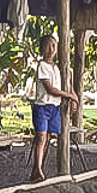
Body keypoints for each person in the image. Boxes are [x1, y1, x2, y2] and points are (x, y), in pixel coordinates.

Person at [29, 35, 78, 181]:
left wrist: (74, 98)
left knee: (48, 138)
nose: (51, 49)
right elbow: (50, 89)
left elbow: (67, 86)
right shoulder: (41, 66)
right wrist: (69, 96)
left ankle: (37, 169)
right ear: (42, 48)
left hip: (55, 107)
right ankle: (38, 168)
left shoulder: (58, 68)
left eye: (54, 45)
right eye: (48, 45)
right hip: (42, 107)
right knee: (41, 138)